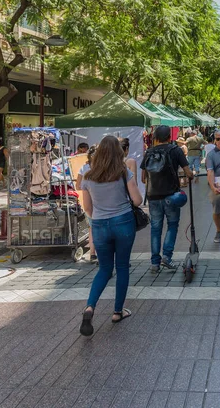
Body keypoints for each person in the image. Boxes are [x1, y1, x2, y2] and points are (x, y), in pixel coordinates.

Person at [79, 136, 143, 336]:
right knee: (122, 266)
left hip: (99, 225)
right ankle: (117, 311)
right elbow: (138, 201)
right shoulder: (124, 172)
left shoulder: (88, 176)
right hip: (123, 222)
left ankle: (90, 307)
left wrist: (100, 217)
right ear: (118, 152)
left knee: (104, 269)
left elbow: (87, 207)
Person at [141, 126, 193, 271]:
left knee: (155, 229)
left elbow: (143, 177)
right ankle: (167, 257)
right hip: (171, 195)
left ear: (156, 138)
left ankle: (154, 263)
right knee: (172, 226)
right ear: (170, 137)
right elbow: (188, 172)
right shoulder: (175, 150)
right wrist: (191, 175)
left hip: (153, 197)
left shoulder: (149, 152)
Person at [77, 146, 98, 263]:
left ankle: (92, 253)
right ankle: (100, 253)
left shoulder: (83, 168)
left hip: (88, 200)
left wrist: (86, 188)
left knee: (91, 228)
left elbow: (78, 186)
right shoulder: (102, 169)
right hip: (100, 200)